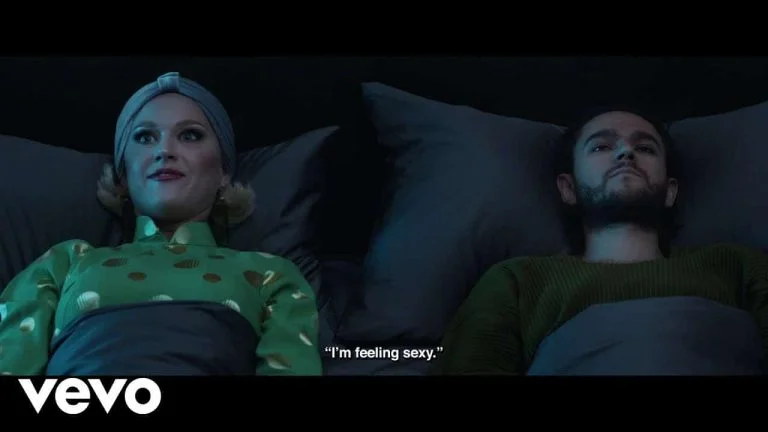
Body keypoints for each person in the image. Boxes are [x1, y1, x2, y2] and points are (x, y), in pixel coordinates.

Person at [0, 72, 322, 376]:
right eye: (145, 137)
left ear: (224, 172)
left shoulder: (270, 274)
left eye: (190, 135)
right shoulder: (65, 263)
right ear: (123, 175)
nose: (165, 150)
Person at [433, 109, 768, 375]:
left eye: (645, 148)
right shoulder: (517, 281)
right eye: (601, 146)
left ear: (670, 192)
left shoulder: (737, 267)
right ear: (568, 189)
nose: (625, 153)